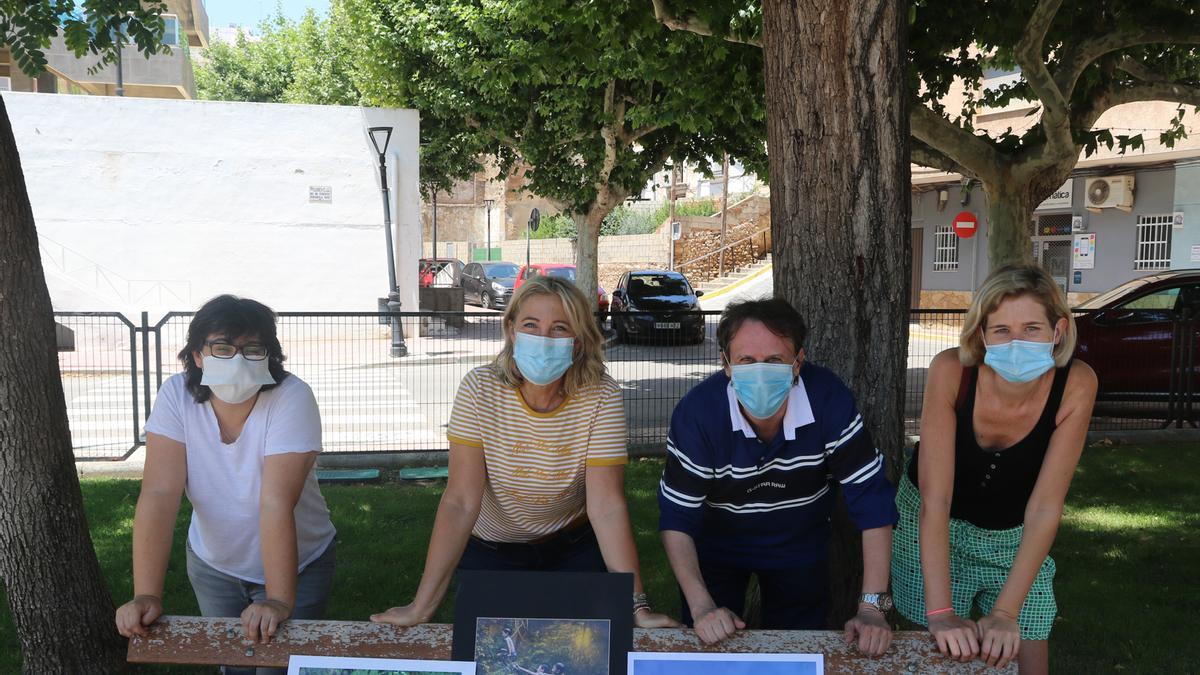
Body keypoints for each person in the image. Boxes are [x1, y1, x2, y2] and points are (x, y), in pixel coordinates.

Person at [371, 276, 677, 629]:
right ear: (512, 331)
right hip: (493, 550)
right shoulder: (478, 389)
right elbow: (460, 501)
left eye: (559, 328)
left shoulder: (601, 395)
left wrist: (637, 608)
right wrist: (420, 607)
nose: (543, 339)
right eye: (531, 325)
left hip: (573, 548)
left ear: (577, 343)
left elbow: (606, 506)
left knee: (580, 659)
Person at [657, 298, 897, 655]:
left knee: (797, 650)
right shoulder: (698, 414)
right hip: (716, 545)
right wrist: (701, 606)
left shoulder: (827, 398)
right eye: (746, 361)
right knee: (711, 647)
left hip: (799, 543)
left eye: (774, 360)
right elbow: (677, 518)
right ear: (725, 364)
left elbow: (872, 500)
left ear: (798, 362)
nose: (760, 371)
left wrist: (872, 609)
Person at [114, 295, 336, 675]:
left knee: (278, 668)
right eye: (222, 347)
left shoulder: (292, 397)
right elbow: (159, 494)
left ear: (269, 355)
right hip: (214, 564)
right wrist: (147, 594)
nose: (236, 359)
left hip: (298, 563)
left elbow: (275, 502)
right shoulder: (176, 395)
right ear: (197, 356)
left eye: (252, 348)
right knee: (232, 666)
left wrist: (280, 600)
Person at [891, 265, 1097, 673]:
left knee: (1027, 640)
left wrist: (1005, 613)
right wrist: (941, 612)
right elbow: (937, 499)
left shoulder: (1076, 382)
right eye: (1001, 329)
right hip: (932, 522)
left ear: (1058, 331)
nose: (1016, 342)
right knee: (937, 650)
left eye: (1032, 328)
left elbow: (1045, 507)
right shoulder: (952, 370)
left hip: (1014, 529)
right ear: (981, 334)